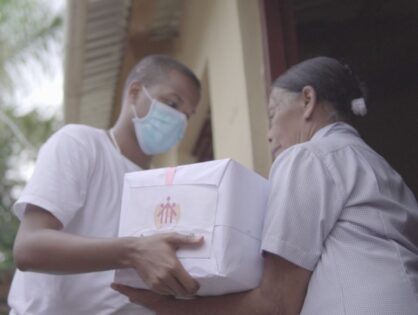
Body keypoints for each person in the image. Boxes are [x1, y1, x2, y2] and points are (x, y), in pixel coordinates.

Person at [113, 56, 418, 314]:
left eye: (272, 114)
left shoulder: (308, 156)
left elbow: (275, 302)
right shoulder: (377, 166)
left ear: (307, 101)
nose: (269, 134)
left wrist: (165, 306)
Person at [8, 54, 203, 315]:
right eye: (171, 103)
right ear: (135, 92)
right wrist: (134, 251)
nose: (179, 120)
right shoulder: (80, 144)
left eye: (187, 116)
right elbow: (28, 248)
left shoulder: (164, 187)